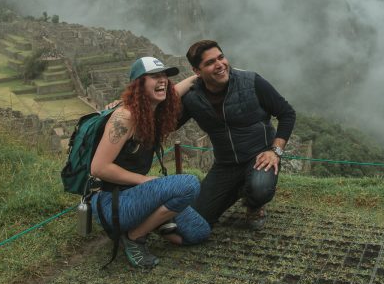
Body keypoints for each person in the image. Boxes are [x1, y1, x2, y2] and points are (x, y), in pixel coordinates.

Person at [91, 56, 210, 268]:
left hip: (138, 197)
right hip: (112, 202)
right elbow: (99, 168)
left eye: (164, 76)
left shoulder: (152, 111)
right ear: (139, 84)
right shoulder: (125, 117)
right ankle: (135, 236)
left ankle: (150, 221)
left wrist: (199, 76)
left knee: (199, 233)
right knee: (189, 184)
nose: (163, 80)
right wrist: (145, 181)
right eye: (155, 77)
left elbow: (175, 91)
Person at [175, 39, 296, 230]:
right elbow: (169, 123)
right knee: (195, 221)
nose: (220, 65)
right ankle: (238, 188)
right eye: (210, 63)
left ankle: (254, 203)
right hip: (225, 164)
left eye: (221, 57)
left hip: (259, 157)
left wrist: (275, 151)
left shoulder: (251, 81)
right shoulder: (193, 98)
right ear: (197, 72)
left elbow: (286, 113)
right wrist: (124, 106)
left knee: (260, 188)